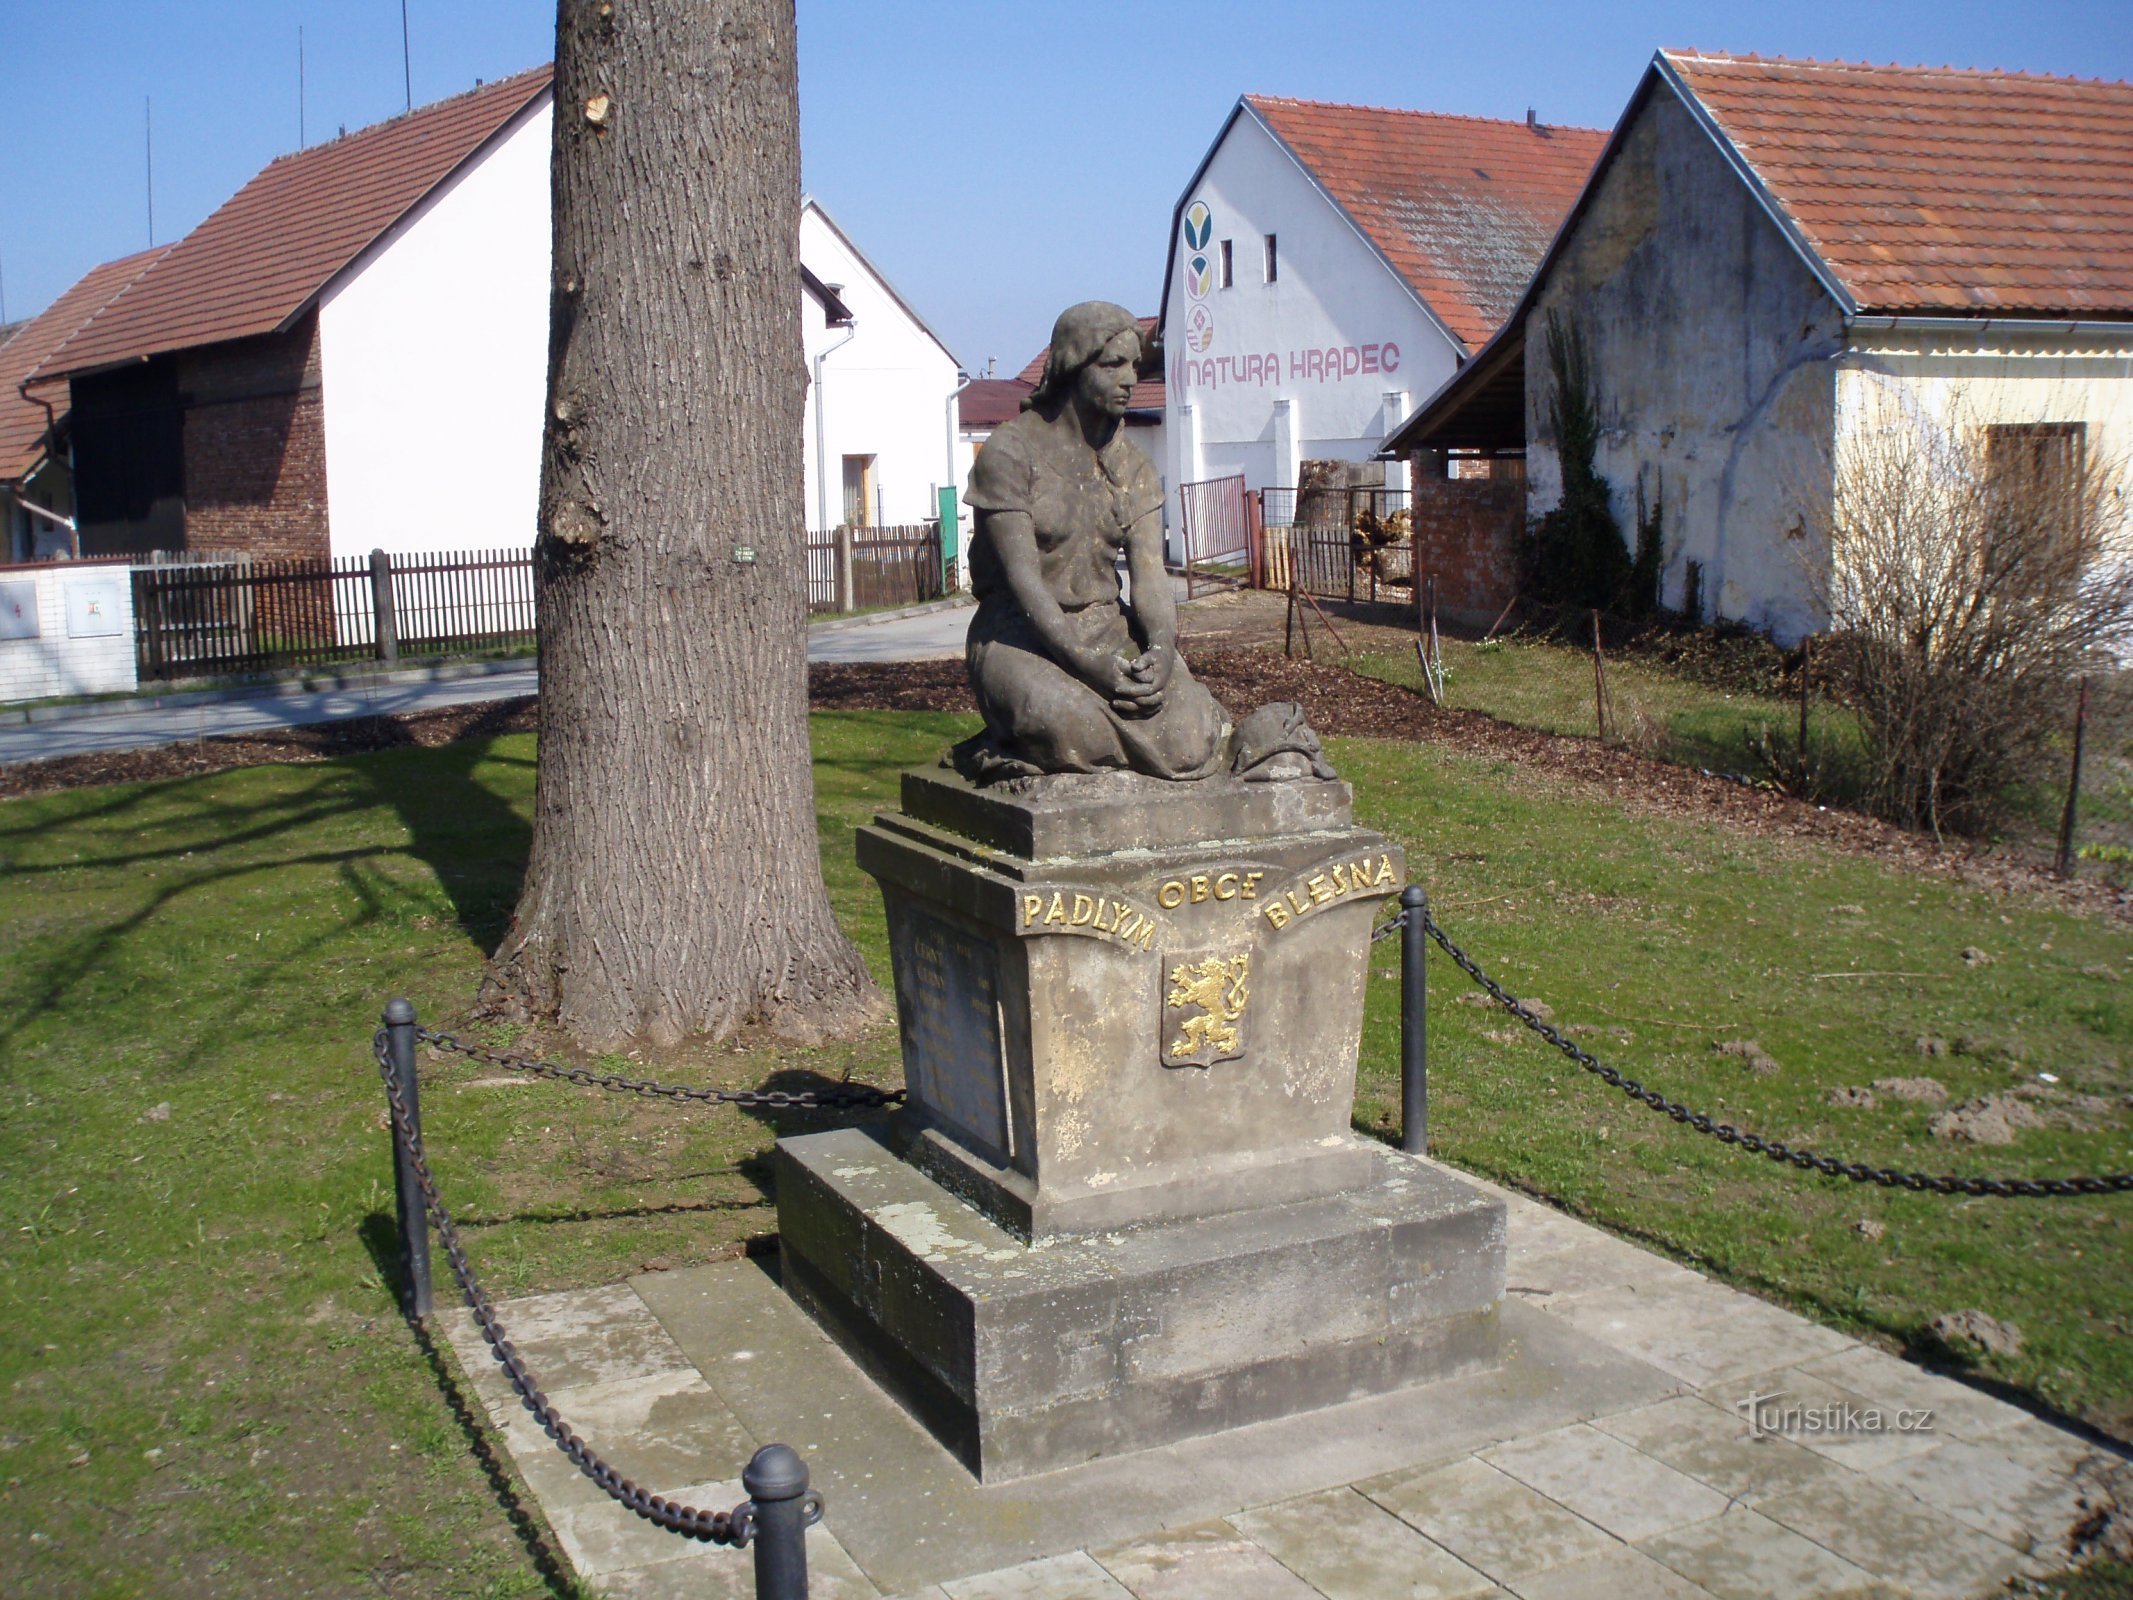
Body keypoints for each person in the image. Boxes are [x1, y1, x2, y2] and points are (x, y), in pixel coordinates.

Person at [957, 302, 1231, 780]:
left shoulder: (1133, 468)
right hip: (1019, 636)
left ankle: (1121, 747)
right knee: (1066, 723)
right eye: (1112, 365)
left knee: (1190, 738)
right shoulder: (1010, 453)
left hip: (1108, 631)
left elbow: (1149, 582)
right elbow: (1025, 585)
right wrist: (1086, 664)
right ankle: (1029, 740)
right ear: (1072, 365)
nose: (1129, 379)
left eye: (1134, 366)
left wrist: (1162, 650)